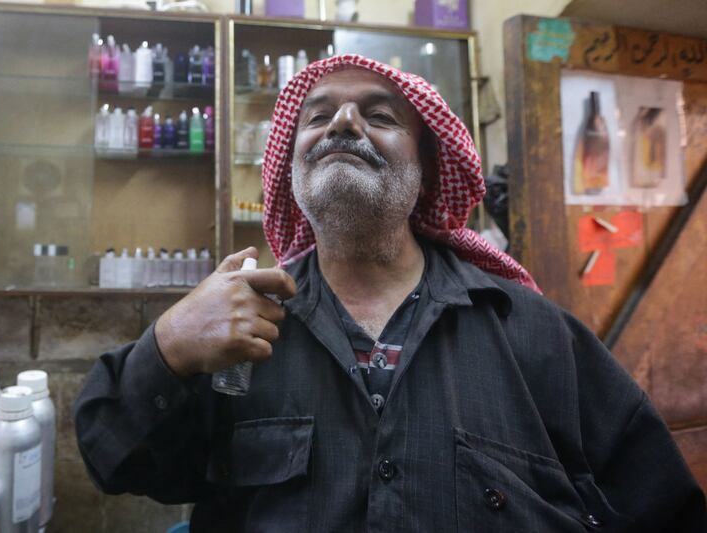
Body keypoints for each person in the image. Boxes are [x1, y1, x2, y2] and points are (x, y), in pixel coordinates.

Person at [75, 55, 706, 532]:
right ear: (290, 165)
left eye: (379, 115)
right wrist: (169, 348)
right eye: (318, 116)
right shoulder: (230, 336)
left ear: (427, 169)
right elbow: (114, 463)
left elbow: (665, 510)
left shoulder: (533, 334)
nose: (343, 122)